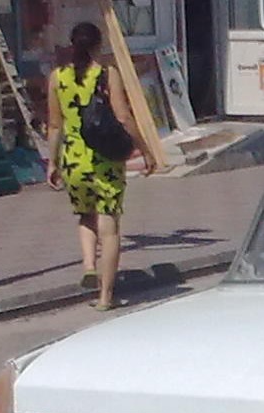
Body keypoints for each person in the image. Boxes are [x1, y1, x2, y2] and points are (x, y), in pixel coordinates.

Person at [46, 22, 155, 311]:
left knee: (85, 215)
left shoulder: (57, 77)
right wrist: (145, 150)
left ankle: (87, 264)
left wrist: (52, 162)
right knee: (110, 226)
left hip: (72, 160)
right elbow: (123, 117)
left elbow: (55, 125)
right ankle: (106, 297)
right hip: (105, 160)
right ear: (99, 44)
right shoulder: (107, 74)